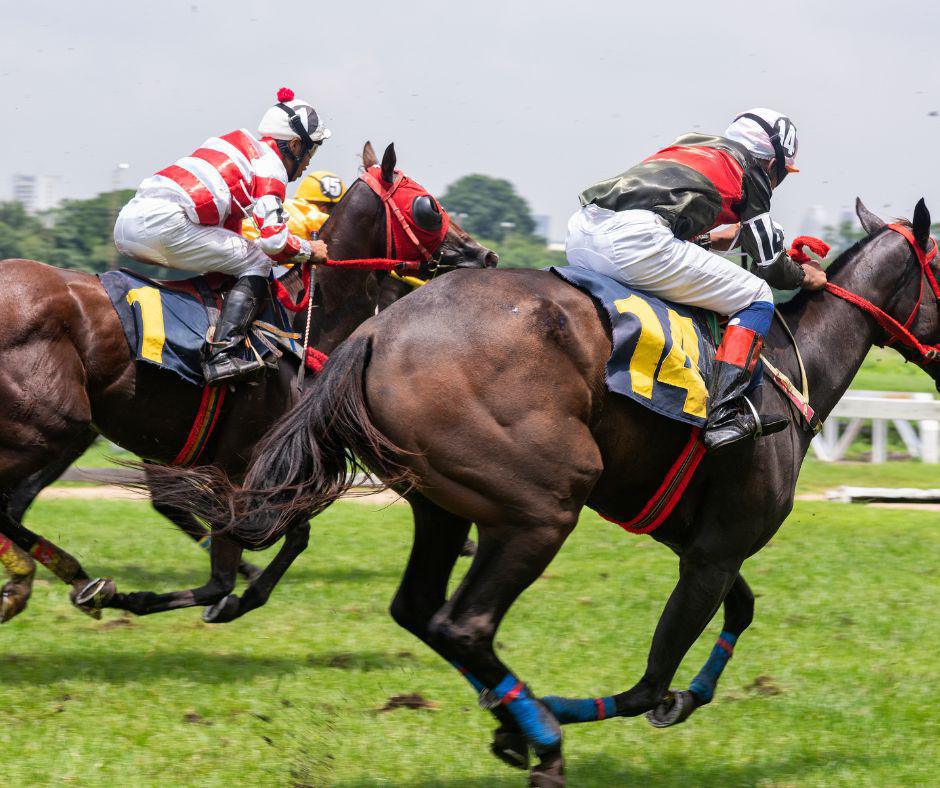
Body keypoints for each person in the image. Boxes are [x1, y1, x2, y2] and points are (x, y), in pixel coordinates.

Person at [567, 108, 828, 452]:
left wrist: (717, 239)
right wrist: (804, 276)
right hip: (634, 243)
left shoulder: (693, 145)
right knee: (757, 295)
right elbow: (770, 266)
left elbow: (665, 216)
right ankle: (724, 413)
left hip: (581, 234)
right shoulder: (753, 170)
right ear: (772, 163)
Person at [113, 87, 331, 384]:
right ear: (294, 145)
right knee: (258, 260)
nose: (307, 165)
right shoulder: (271, 167)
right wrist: (309, 249)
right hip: (164, 224)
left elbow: (229, 227)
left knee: (240, 255)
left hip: (128, 223)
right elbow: (274, 243)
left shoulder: (236, 145)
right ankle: (221, 355)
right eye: (310, 152)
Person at [241, 170, 347, 244]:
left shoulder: (284, 204)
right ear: (324, 209)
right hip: (257, 251)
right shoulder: (312, 215)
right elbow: (335, 228)